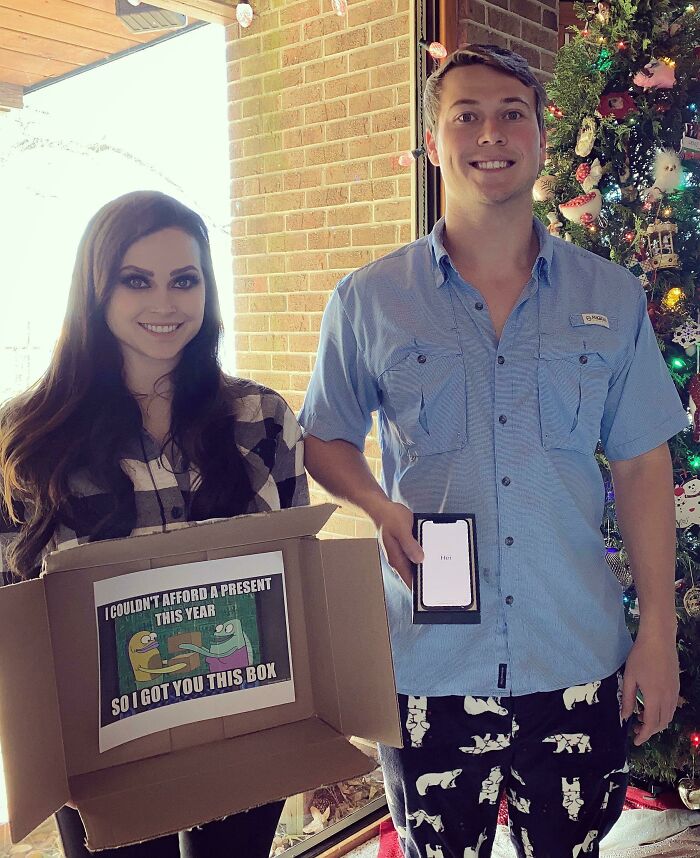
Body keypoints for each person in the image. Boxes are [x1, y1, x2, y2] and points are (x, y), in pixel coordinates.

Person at [299, 45, 687, 857]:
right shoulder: (370, 299)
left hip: (574, 660)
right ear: (434, 145)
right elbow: (326, 437)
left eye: (513, 112)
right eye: (465, 115)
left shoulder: (608, 295)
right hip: (428, 668)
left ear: (543, 139)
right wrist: (376, 505)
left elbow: (645, 466)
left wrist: (656, 631)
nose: (491, 131)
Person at [0, 190, 308, 858]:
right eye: (136, 280)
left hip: (245, 724)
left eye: (184, 280)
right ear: (95, 291)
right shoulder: (26, 440)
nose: (164, 304)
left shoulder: (261, 417)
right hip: (102, 750)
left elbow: (297, 584)